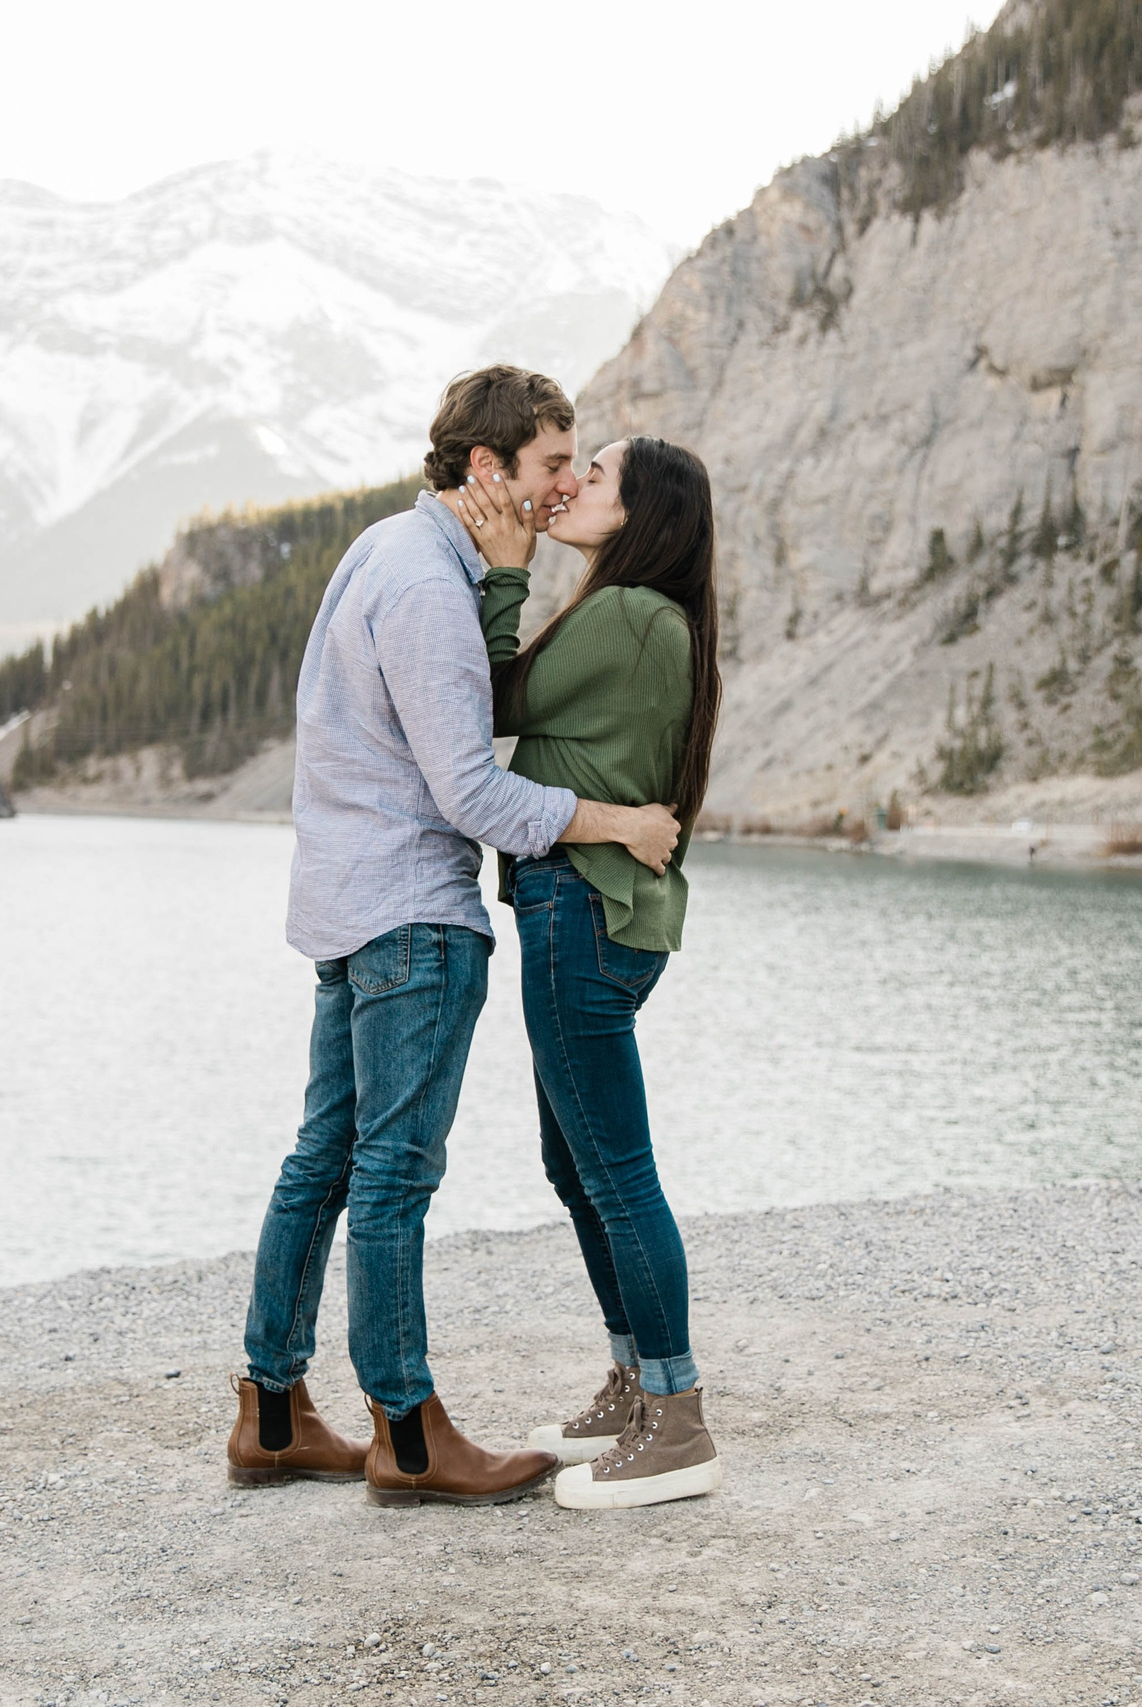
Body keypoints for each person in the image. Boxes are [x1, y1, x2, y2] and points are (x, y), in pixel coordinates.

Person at [226, 367, 682, 1508]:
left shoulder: (379, 548)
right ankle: (410, 1437)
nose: (562, 485)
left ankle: (273, 1413)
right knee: (392, 1174)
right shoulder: (432, 586)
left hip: (344, 900)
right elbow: (475, 791)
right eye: (546, 467)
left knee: (322, 1158)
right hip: (410, 915)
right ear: (487, 470)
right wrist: (614, 819)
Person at [441, 435, 724, 1510]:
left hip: (580, 909)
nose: (569, 487)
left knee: (611, 1172)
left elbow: (493, 701)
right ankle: (630, 1382)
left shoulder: (625, 614)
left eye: (593, 476)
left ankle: (677, 1415)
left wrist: (506, 568)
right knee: (579, 1167)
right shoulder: (648, 615)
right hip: (598, 913)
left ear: (641, 510)